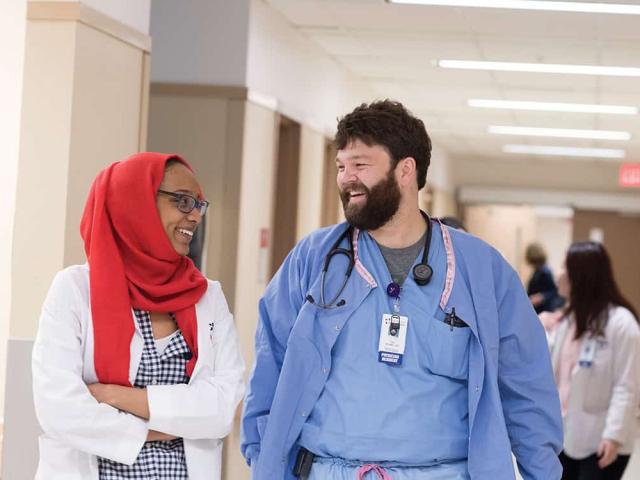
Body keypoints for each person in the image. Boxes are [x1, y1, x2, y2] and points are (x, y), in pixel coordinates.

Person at [241, 100, 562, 480]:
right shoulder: (316, 258)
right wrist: (262, 457)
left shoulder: (480, 270)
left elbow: (525, 385)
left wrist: (541, 473)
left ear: (405, 169)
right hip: (329, 470)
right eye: (341, 167)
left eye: (361, 165)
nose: (346, 178)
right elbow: (271, 360)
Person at [32, 153, 245, 479]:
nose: (195, 216)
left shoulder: (207, 296)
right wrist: (164, 429)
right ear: (136, 204)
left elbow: (221, 408)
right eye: (183, 202)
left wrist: (117, 397)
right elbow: (59, 410)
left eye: (199, 205)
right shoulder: (74, 290)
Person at [547, 242, 639, 480]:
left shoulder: (621, 324)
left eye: (564, 267)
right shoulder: (567, 321)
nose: (558, 274)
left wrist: (614, 435)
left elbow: (627, 386)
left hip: (604, 441)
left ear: (581, 276)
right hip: (565, 437)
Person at [525, 242, 561, 314]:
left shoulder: (545, 272)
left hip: (543, 310)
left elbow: (554, 291)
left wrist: (542, 297)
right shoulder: (538, 271)